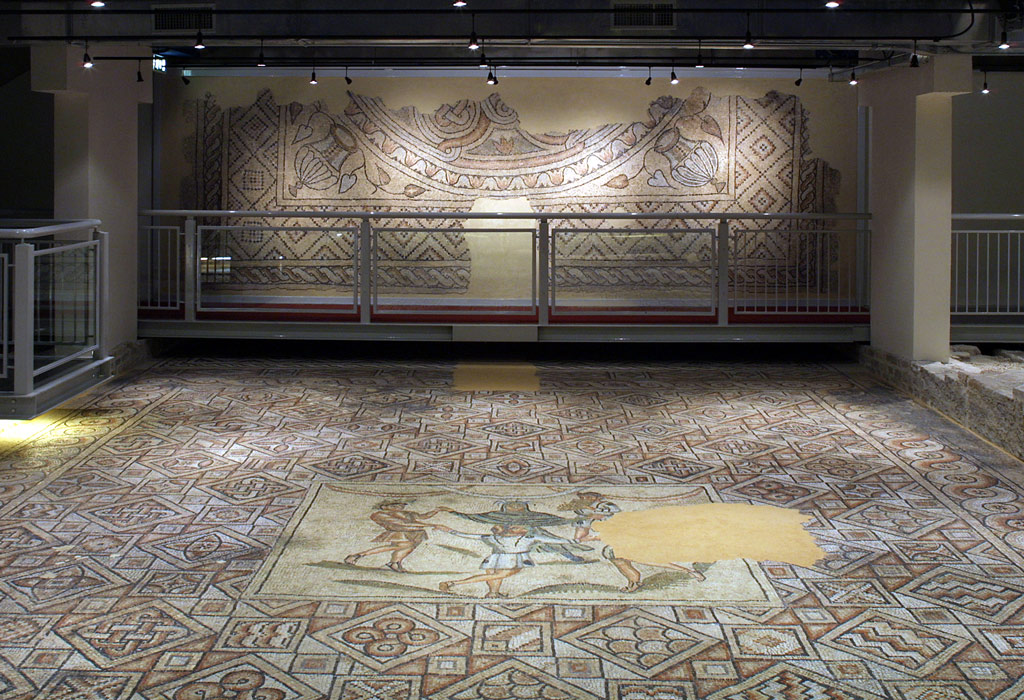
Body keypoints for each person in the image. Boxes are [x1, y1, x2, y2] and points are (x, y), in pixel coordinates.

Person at [434, 523, 579, 598]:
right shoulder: (529, 537)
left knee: (494, 577)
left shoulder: (492, 537)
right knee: (497, 576)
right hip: (513, 559)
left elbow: (467, 535)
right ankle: (453, 583)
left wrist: (448, 530)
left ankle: (493, 594)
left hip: (494, 558)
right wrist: (576, 541)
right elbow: (555, 540)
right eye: (518, 527)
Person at [343, 500, 451, 572]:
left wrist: (437, 510)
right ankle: (358, 555)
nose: (399, 507)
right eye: (394, 505)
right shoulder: (380, 515)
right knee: (398, 546)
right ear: (384, 507)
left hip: (415, 533)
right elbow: (403, 524)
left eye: (400, 505)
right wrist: (433, 525)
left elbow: (423, 516)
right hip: (399, 533)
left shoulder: (408, 513)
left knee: (409, 548)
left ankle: (394, 563)